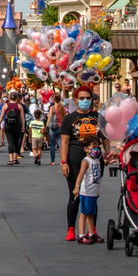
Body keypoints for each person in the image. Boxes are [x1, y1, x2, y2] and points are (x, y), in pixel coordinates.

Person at [60, 86, 106, 242]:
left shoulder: (99, 117)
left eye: (88, 98)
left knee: (92, 196)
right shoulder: (69, 118)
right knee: (75, 194)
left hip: (96, 161)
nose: (85, 101)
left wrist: (107, 153)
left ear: (92, 99)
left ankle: (91, 231)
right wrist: (64, 162)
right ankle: (71, 229)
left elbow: (105, 138)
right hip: (74, 161)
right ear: (76, 100)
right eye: (82, 98)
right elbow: (65, 142)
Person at [73, 136, 104, 244]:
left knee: (91, 214)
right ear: (86, 149)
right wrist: (77, 187)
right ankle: (81, 235)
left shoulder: (97, 161)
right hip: (86, 193)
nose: (96, 149)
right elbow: (81, 175)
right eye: (93, 147)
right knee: (84, 214)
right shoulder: (86, 161)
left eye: (97, 147)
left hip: (93, 193)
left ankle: (91, 233)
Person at [1, 91, 25, 165]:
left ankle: (10, 159)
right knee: (16, 141)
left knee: (10, 142)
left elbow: (2, 116)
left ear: (9, 97)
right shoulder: (19, 106)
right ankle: (15, 159)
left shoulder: (5, 105)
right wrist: (23, 126)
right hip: (17, 124)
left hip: (8, 125)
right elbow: (22, 117)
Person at [46, 94, 64, 165]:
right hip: (60, 127)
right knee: (61, 145)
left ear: (53, 100)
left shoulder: (52, 107)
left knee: (52, 145)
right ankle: (62, 161)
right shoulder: (61, 107)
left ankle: (52, 161)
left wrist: (47, 125)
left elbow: (50, 117)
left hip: (53, 127)